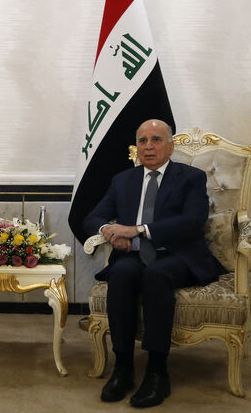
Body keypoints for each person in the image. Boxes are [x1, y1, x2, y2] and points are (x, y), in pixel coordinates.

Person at [84, 119, 226, 408]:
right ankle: (123, 367)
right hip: (135, 255)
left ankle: (157, 372)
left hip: (178, 255)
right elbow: (94, 217)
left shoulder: (191, 177)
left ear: (170, 146)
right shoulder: (123, 180)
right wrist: (109, 233)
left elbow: (192, 222)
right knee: (121, 272)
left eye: (156, 139)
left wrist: (136, 231)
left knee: (156, 275)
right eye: (143, 140)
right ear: (137, 147)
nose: (149, 146)